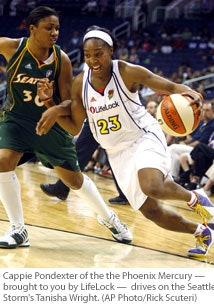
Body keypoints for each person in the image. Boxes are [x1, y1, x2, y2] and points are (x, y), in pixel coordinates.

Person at [36, 25, 214, 258]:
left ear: (110, 50)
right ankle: (202, 233)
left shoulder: (126, 71)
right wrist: (49, 106)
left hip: (143, 136)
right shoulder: (80, 83)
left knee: (152, 185)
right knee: (151, 212)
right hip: (116, 152)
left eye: (99, 53)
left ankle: (196, 198)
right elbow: (74, 126)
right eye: (88, 55)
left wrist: (191, 93)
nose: (93, 59)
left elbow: (170, 87)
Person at [0, 7, 133, 248]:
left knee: (73, 180)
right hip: (16, 119)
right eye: (48, 28)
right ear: (32, 29)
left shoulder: (60, 59)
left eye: (57, 28)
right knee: (2, 161)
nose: (54, 32)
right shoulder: (11, 47)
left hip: (50, 123)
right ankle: (18, 229)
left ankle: (109, 218)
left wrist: (53, 104)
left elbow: (70, 101)